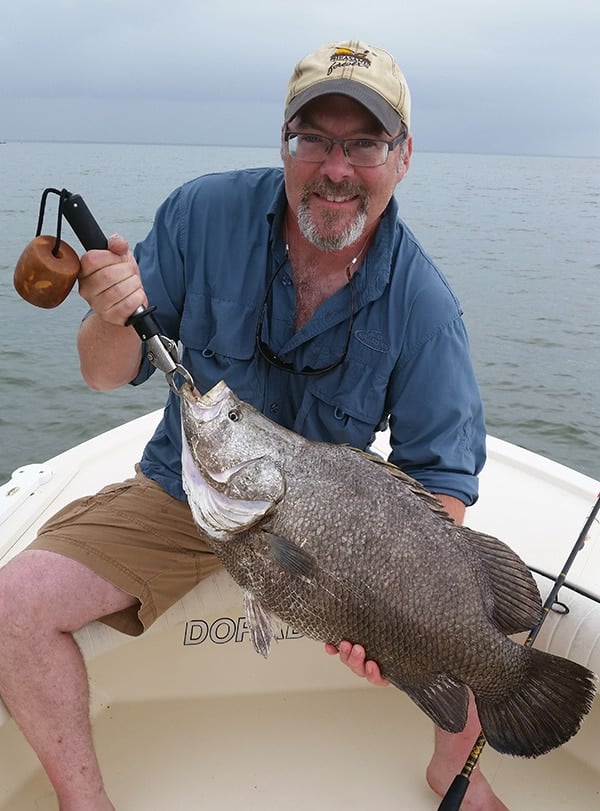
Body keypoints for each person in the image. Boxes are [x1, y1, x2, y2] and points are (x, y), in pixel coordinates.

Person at [0, 40, 502, 810]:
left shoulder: (425, 308)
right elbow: (105, 371)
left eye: (364, 142)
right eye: (315, 140)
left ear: (403, 157)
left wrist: (392, 598)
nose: (336, 167)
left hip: (329, 533)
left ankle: (456, 777)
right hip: (183, 492)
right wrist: (108, 314)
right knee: (13, 605)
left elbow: (440, 486)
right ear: (285, 145)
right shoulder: (204, 214)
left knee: (465, 612)